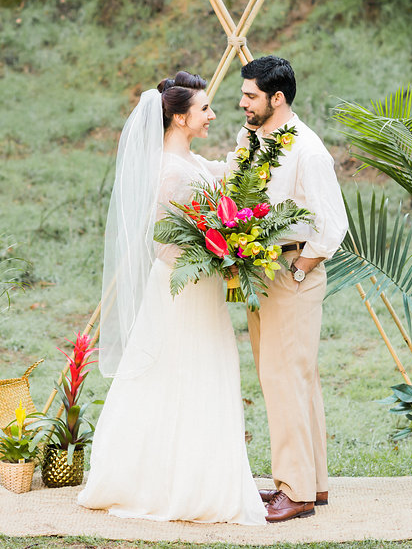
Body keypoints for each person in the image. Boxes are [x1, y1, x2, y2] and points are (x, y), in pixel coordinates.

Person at [77, 72, 267, 526]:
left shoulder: (191, 162)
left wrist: (252, 144)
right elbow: (167, 242)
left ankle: (203, 474)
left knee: (202, 374)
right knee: (176, 376)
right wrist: (222, 244)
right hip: (181, 289)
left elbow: (224, 174)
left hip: (200, 288)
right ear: (180, 117)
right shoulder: (168, 173)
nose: (212, 114)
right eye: (204, 109)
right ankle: (167, 482)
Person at [228, 56, 348, 523]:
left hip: (290, 272)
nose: (242, 103)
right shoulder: (254, 140)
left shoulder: (307, 150)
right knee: (294, 378)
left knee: (284, 379)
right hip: (261, 270)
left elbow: (333, 224)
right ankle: (310, 483)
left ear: (277, 98)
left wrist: (298, 269)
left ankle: (294, 491)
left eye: (250, 95)